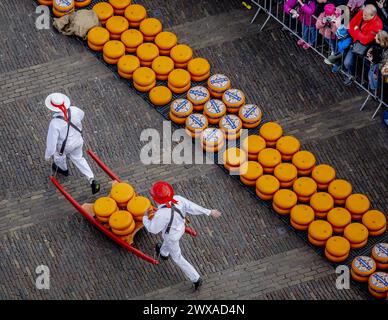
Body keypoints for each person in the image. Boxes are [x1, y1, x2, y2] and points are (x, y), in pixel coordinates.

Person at [143, 181, 222, 291]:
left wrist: (145, 217)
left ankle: (196, 278)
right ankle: (163, 253)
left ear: (156, 199)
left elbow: (153, 229)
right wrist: (209, 212)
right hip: (181, 228)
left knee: (177, 257)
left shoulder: (161, 214)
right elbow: (193, 207)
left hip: (171, 236)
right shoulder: (178, 199)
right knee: (168, 243)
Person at [44, 92, 100, 194]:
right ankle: (91, 179)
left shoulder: (54, 123)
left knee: (58, 156)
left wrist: (48, 155)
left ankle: (63, 169)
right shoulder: (74, 110)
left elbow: (51, 143)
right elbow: (82, 115)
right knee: (79, 159)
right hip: (78, 140)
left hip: (64, 146)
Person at [343, 4, 383, 85]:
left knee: (365, 67)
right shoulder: (362, 12)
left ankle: (364, 81)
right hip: (356, 44)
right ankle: (351, 74)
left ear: (373, 15)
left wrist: (357, 30)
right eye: (363, 14)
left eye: (366, 15)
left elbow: (365, 40)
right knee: (347, 63)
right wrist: (359, 36)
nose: (363, 16)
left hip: (367, 49)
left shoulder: (378, 24)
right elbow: (351, 25)